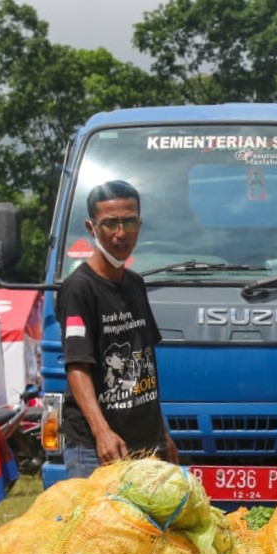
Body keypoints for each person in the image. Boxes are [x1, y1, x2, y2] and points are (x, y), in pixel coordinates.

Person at [55, 180, 178, 478]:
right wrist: (102, 433)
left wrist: (163, 434)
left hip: (145, 446)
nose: (121, 234)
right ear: (91, 227)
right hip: (98, 449)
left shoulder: (135, 284)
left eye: (130, 222)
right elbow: (77, 366)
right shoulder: (79, 289)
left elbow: (144, 365)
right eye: (111, 223)